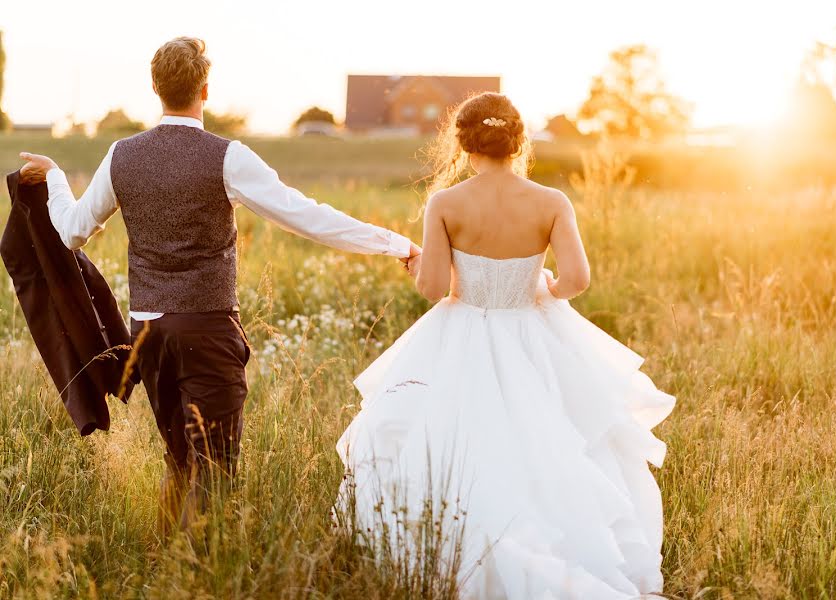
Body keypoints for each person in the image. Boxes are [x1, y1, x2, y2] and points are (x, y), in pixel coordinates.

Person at [18, 37, 419, 535]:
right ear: (205, 89)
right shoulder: (227, 156)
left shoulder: (121, 155)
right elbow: (306, 217)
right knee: (215, 470)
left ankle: (167, 569)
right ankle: (200, 574)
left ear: (155, 88)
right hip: (206, 330)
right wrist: (396, 243)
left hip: (147, 335)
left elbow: (73, 229)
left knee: (180, 462)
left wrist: (56, 176)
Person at [337, 92, 674, 598]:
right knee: (552, 435)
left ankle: (446, 553)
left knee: (455, 440)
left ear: (463, 141)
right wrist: (544, 288)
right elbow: (577, 279)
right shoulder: (552, 202)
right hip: (531, 330)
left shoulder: (445, 203)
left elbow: (433, 288)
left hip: (461, 332)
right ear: (518, 142)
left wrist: (423, 265)